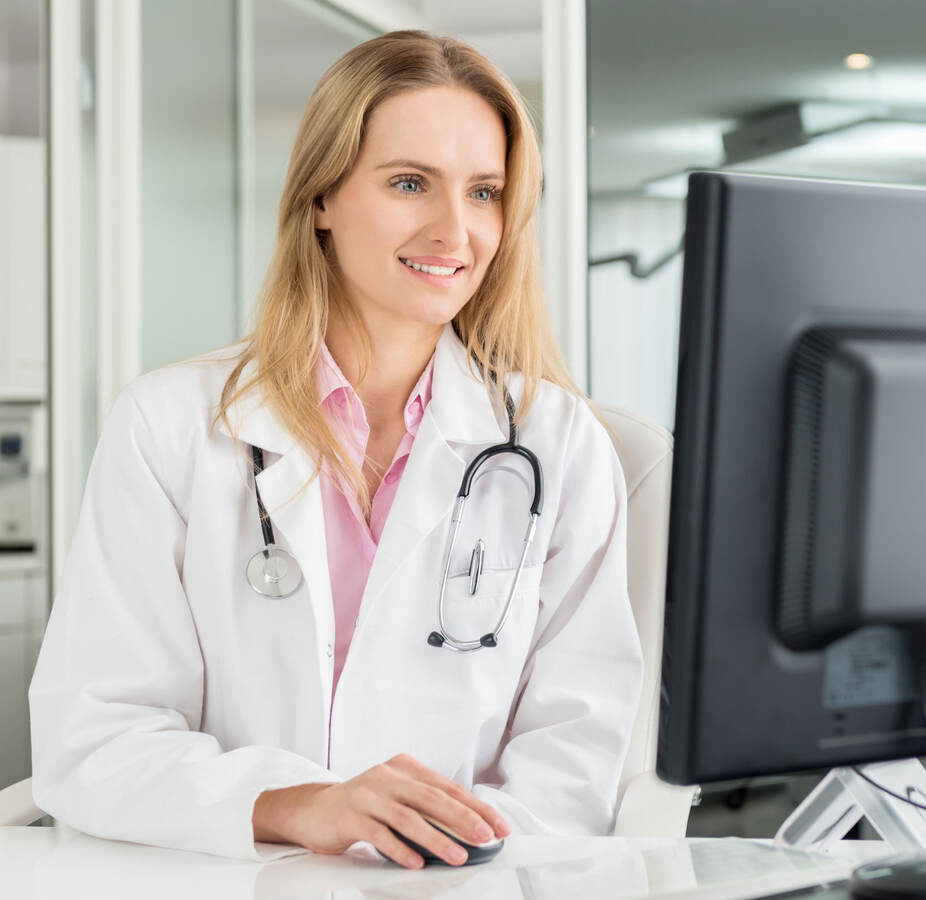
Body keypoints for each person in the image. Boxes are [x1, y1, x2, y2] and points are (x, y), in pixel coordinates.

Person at [28, 30, 643, 868]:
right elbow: (94, 735)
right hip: (216, 881)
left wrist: (444, 851)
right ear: (322, 197)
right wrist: (305, 808)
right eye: (408, 183)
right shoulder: (170, 427)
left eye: (486, 192)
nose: (455, 231)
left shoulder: (557, 445)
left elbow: (577, 749)